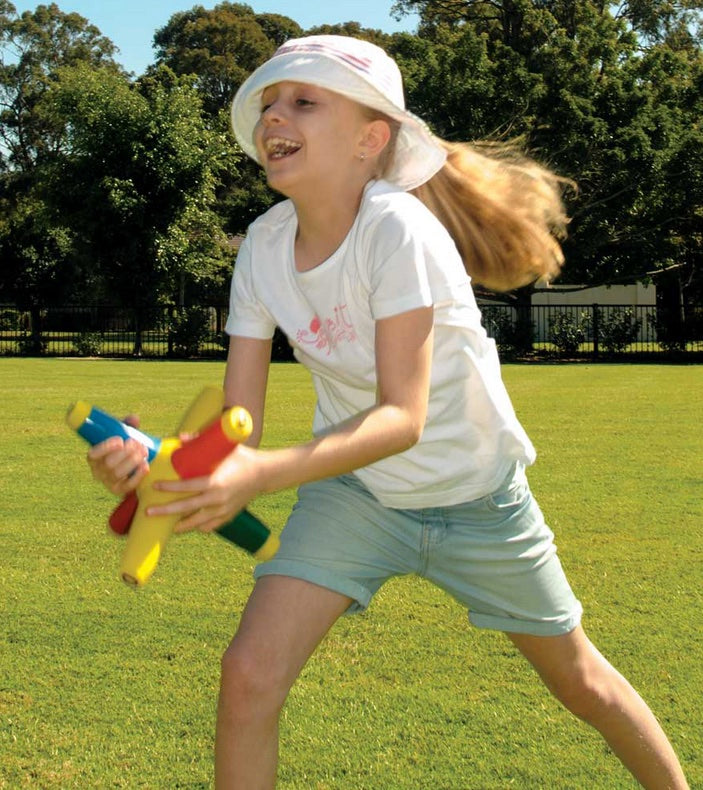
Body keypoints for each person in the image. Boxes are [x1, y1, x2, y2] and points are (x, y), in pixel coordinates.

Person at [88, 35, 689, 790]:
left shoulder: (397, 229)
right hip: (356, 497)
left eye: (304, 100)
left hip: (479, 502)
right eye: (269, 103)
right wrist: (155, 464)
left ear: (371, 139)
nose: (276, 114)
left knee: (580, 683)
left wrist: (260, 475)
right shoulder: (262, 249)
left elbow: (401, 417)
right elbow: (232, 429)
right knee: (247, 675)